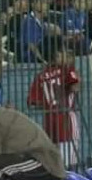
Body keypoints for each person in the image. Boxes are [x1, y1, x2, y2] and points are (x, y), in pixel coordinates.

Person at [27, 37, 81, 169]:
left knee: (55, 163)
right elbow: (75, 87)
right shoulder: (67, 69)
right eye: (64, 51)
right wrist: (76, 75)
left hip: (50, 122)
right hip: (67, 121)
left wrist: (50, 103)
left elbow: (33, 102)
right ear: (57, 55)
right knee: (70, 164)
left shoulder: (40, 76)